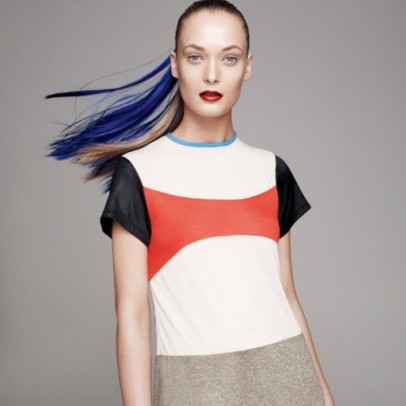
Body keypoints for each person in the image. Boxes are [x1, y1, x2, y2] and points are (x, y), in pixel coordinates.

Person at [45, 1, 335, 405]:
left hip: (289, 382)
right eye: (196, 56)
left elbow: (287, 294)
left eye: (229, 58)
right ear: (175, 64)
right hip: (194, 388)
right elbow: (132, 315)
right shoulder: (139, 173)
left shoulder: (272, 171)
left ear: (247, 67)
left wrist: (324, 395)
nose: (212, 74)